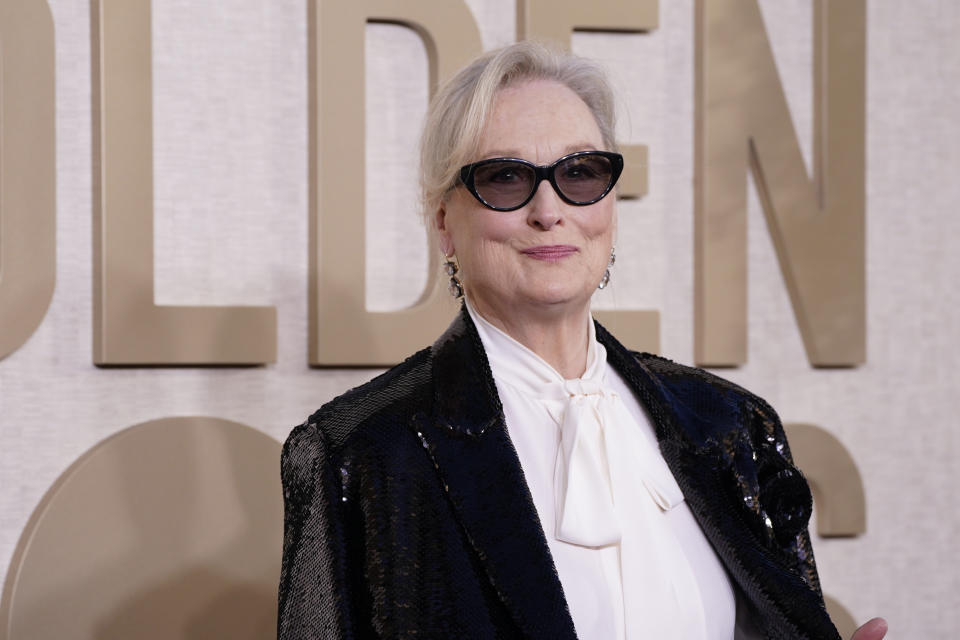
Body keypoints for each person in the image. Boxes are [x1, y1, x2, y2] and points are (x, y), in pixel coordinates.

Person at [277, 41, 886, 640]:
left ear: (610, 203)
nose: (549, 209)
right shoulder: (358, 453)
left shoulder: (733, 426)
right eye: (506, 177)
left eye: (580, 173)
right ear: (443, 221)